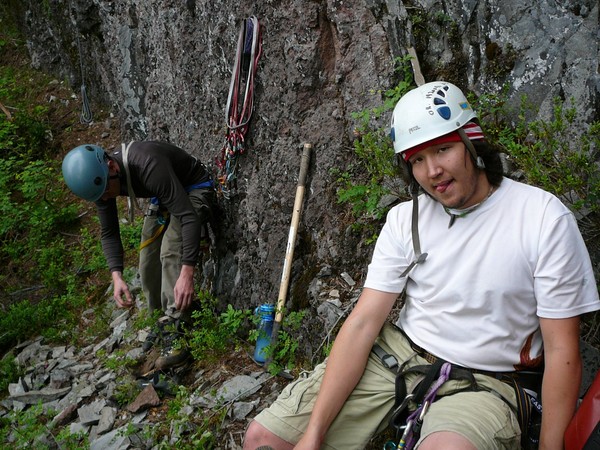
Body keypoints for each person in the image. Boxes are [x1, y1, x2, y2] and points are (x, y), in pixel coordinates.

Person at [243, 81, 600, 450]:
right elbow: (364, 322)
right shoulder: (405, 219)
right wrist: (314, 432)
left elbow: (561, 350)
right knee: (263, 439)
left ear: (470, 142)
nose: (433, 172)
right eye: (416, 159)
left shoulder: (542, 218)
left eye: (443, 149)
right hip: (399, 356)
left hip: (490, 378)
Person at [62, 140, 217, 370]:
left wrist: (187, 272)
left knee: (171, 249)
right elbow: (109, 232)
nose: (105, 200)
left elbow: (188, 217)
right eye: (99, 197)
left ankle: (177, 327)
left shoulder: (147, 165)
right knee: (148, 257)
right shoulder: (101, 182)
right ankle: (160, 320)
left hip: (195, 188)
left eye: (105, 193)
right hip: (165, 197)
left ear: (112, 167)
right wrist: (117, 276)